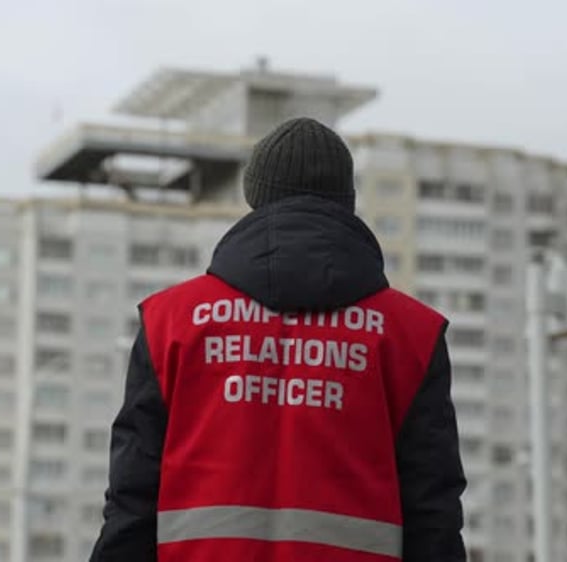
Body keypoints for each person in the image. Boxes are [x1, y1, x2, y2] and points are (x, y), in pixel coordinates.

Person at [90, 117, 466, 562]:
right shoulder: (410, 336)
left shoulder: (172, 324)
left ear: (254, 196)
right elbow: (433, 518)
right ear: (346, 201)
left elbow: (132, 504)